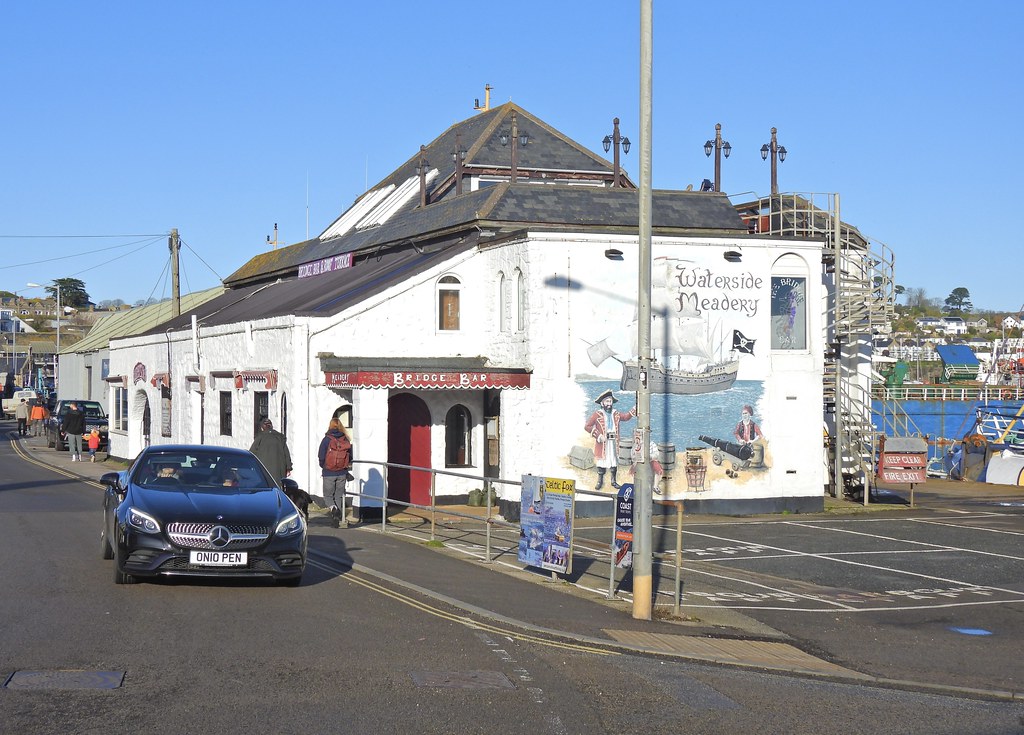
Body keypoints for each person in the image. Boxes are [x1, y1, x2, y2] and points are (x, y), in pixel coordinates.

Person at [583, 389, 636, 490]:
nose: (609, 403)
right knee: (602, 461)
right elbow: (587, 426)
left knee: (613, 461)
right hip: (603, 442)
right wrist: (598, 436)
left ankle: (613, 481)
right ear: (602, 403)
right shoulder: (597, 414)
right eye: (607, 401)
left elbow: (625, 417)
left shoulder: (616, 413)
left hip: (613, 442)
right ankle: (600, 481)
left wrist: (633, 410)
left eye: (610, 401)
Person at [317, 418, 353, 528]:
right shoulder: (345, 439)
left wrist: (324, 466)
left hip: (329, 472)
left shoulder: (326, 439)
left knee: (328, 496)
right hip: (342, 472)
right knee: (339, 496)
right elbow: (350, 456)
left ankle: (334, 510)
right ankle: (338, 518)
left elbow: (321, 456)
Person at [249, 417, 292, 485]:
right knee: (278, 488)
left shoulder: (260, 437)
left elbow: (252, 453)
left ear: (262, 428)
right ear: (271, 426)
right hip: (279, 472)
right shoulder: (280, 437)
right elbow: (286, 454)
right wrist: (288, 468)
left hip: (264, 471)